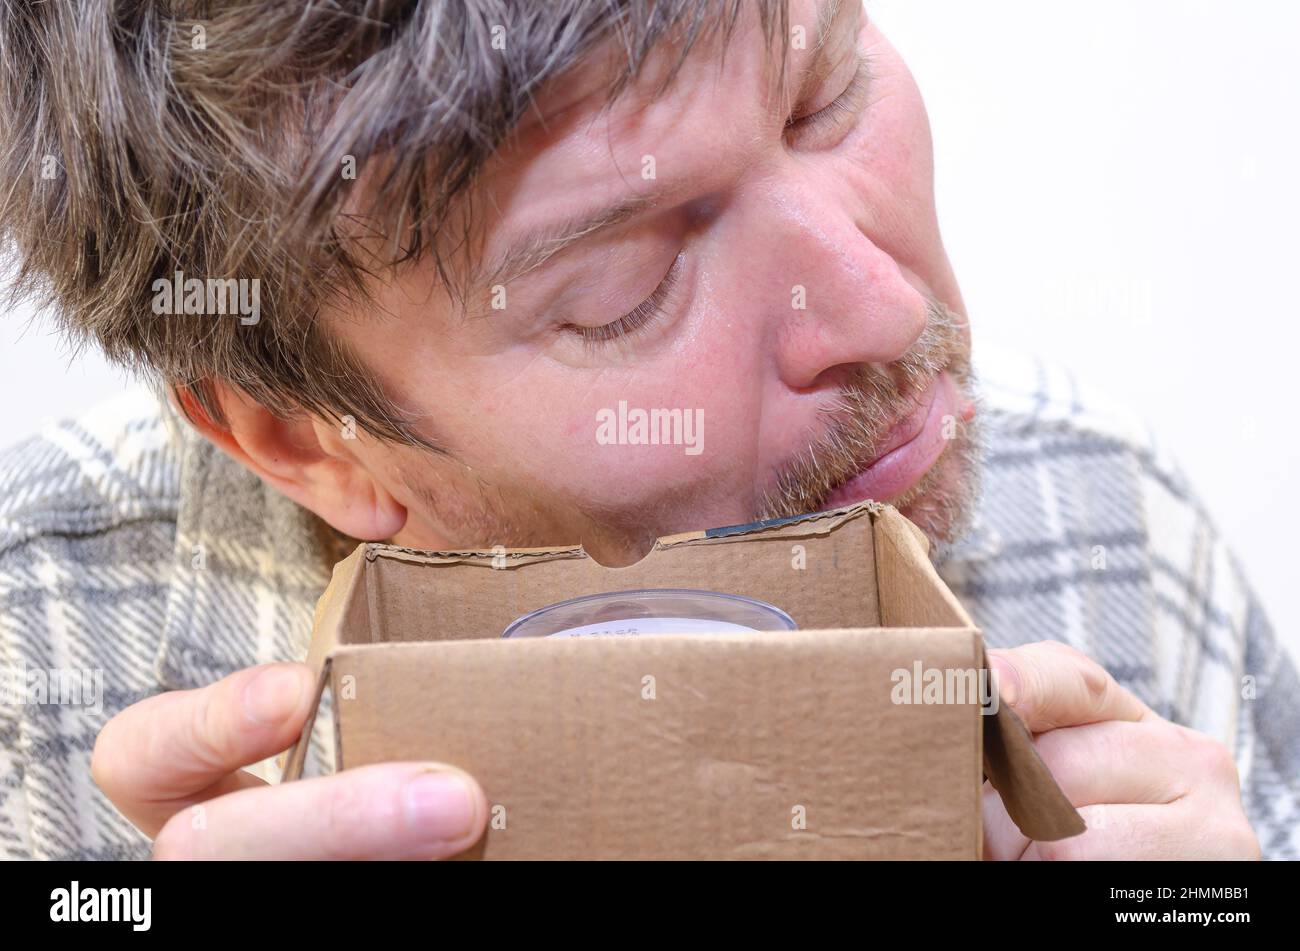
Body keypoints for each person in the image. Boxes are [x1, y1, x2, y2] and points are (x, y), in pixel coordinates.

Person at [0, 0, 1292, 860]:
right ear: (305, 441)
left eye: (824, 97)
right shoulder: (35, 653)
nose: (884, 309)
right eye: (628, 288)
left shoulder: (1114, 521)